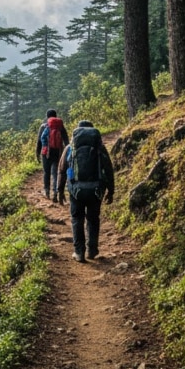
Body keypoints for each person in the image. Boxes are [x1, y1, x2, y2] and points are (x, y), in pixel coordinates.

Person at [57, 119, 115, 263]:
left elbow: (62, 170)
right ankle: (92, 250)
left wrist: (59, 190)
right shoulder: (100, 147)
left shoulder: (70, 148)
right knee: (93, 219)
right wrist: (111, 191)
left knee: (77, 219)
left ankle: (79, 252)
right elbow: (108, 169)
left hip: (76, 190)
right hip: (96, 189)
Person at [36, 109, 69, 202]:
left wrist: (37, 153)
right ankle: (55, 192)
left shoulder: (43, 126)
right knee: (55, 173)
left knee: (46, 173)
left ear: (47, 116)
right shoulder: (60, 126)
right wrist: (67, 153)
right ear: (56, 116)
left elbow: (39, 141)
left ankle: (47, 192)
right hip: (58, 152)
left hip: (46, 152)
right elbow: (66, 141)